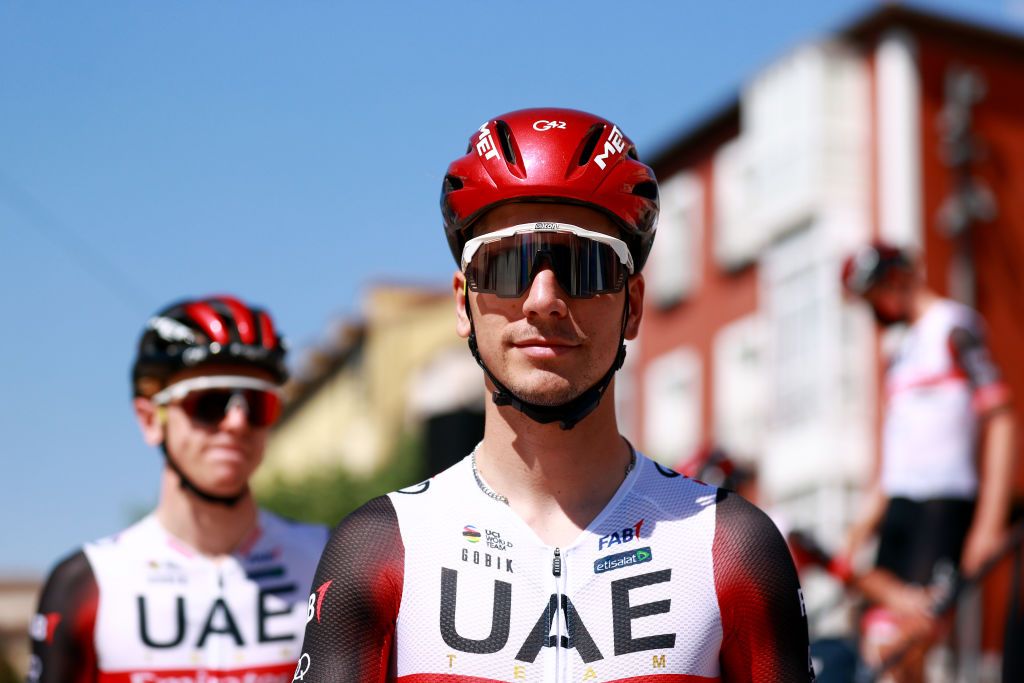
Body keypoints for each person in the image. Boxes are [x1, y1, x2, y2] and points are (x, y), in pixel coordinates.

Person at [296, 108, 814, 682]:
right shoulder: (378, 546)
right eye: (506, 262)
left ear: (633, 305)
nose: (543, 299)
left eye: (583, 263)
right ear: (463, 303)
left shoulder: (733, 546)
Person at [28, 295, 328, 682]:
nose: (236, 422)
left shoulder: (330, 559)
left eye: (256, 403)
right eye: (209, 401)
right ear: (151, 419)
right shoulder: (88, 581)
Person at [840, 243, 1016, 678]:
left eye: (875, 295)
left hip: (944, 507)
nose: (876, 309)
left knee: (910, 638)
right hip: (900, 508)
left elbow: (1001, 419)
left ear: (897, 279)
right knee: (875, 637)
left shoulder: (955, 328)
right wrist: (858, 532)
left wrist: (989, 523)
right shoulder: (898, 355)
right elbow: (894, 461)